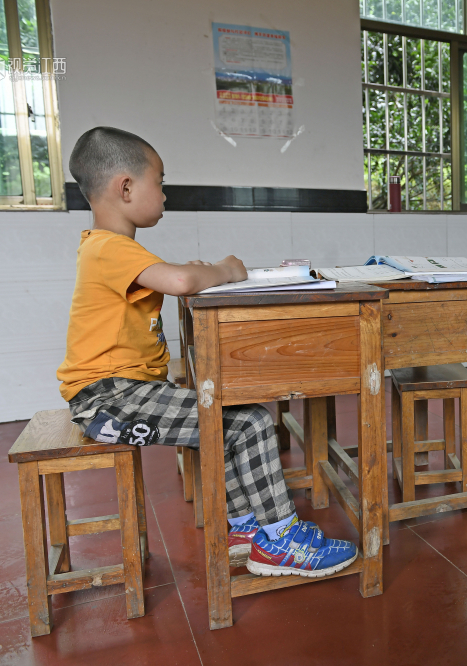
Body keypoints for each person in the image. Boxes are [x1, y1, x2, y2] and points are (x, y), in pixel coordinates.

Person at [57, 127, 357, 578]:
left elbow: (172, 276)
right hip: (107, 401)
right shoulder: (107, 247)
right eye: (159, 182)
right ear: (125, 187)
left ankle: (245, 527)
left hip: (116, 394)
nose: (164, 194)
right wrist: (223, 269)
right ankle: (281, 541)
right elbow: (179, 283)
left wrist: (197, 273)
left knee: (234, 416)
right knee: (251, 420)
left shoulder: (112, 247)